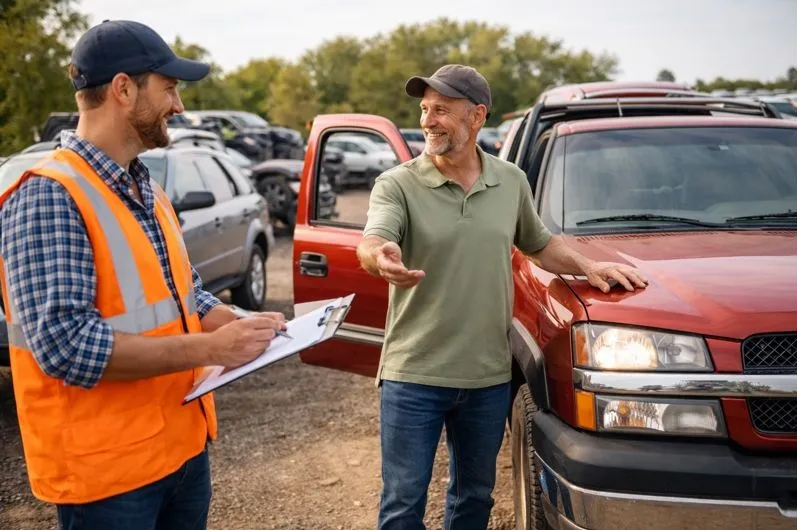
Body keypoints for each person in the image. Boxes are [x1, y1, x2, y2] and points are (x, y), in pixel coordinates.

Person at [0, 20, 285, 530]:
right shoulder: (49, 194)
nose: (179, 106)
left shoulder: (145, 187)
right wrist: (213, 349)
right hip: (108, 477)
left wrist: (240, 323)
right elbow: (66, 346)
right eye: (170, 89)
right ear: (124, 89)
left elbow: (185, 294)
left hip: (179, 449)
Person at [356, 64, 648, 530]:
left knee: (474, 499)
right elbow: (373, 239)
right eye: (425, 109)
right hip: (414, 375)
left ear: (477, 117)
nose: (429, 120)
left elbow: (538, 243)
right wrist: (379, 256)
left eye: (442, 111)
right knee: (402, 504)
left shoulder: (510, 181)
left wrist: (590, 267)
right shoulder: (398, 184)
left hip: (487, 378)